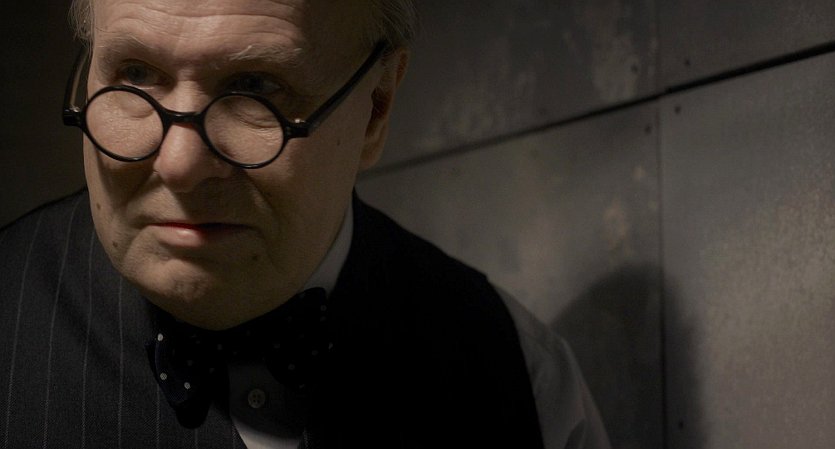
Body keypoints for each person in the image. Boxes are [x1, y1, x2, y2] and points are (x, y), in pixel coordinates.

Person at [0, 0, 610, 448]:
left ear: (376, 109)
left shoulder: (525, 376)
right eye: (134, 73)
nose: (180, 165)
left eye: (254, 88)